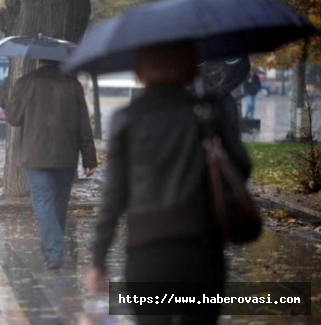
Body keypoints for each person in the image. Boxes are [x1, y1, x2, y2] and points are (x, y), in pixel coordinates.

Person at [85, 42, 252, 324]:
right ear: (190, 67)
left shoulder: (127, 118)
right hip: (202, 250)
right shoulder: (207, 113)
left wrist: (98, 259)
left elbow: (114, 196)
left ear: (141, 69)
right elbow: (242, 167)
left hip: (147, 251)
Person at [6, 59, 98, 270]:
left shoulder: (26, 82)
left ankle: (54, 251)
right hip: (66, 154)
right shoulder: (72, 84)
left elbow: (13, 118)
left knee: (43, 201)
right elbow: (84, 123)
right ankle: (54, 249)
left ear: (39, 60)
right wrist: (89, 158)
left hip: (35, 154)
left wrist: (7, 97)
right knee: (59, 203)